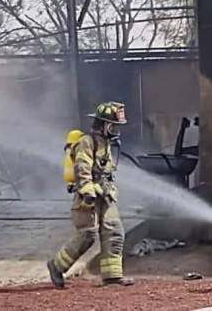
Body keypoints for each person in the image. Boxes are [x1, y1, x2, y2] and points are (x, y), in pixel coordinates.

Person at [47, 102, 135, 288]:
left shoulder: (106, 143)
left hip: (105, 195)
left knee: (114, 231)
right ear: (102, 124)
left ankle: (112, 276)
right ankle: (56, 266)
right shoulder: (87, 142)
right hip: (89, 197)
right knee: (88, 236)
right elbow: (82, 167)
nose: (116, 130)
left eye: (117, 127)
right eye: (112, 126)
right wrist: (87, 190)